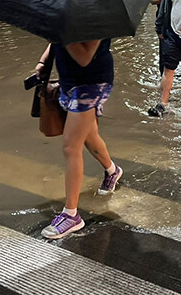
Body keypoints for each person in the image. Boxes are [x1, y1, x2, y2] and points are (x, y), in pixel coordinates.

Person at [35, 39, 122, 239]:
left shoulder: (96, 12)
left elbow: (84, 57)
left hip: (91, 83)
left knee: (71, 147)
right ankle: (112, 170)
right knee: (88, 135)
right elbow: (55, 40)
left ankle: (71, 215)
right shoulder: (69, 10)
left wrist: (62, 31)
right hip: (70, 80)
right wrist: (43, 62)